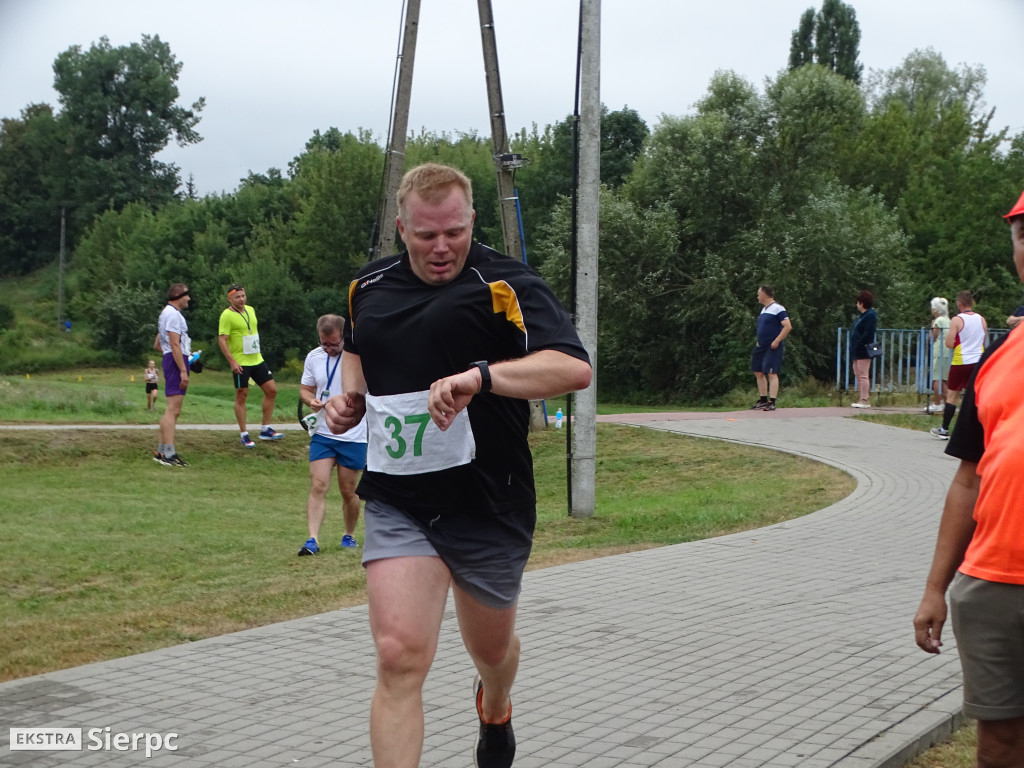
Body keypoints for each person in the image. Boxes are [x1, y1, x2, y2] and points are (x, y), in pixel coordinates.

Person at [323, 163, 592, 768]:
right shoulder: (368, 288)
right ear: (401, 228)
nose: (442, 247)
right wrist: (352, 402)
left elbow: (574, 367)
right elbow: (364, 352)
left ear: (472, 220)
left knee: (491, 652)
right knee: (398, 655)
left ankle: (495, 703)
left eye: (455, 232)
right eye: (425, 236)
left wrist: (483, 378)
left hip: (487, 499)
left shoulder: (505, 282)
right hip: (401, 498)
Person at [912, 191, 1024, 768]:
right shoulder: (1003, 356)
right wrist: (937, 587)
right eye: (1023, 235)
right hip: (995, 584)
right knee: (998, 743)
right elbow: (967, 479)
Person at [297, 314, 367, 556]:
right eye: (324, 343)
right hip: (323, 432)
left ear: (344, 337)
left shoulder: (357, 357)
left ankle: (349, 534)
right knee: (318, 484)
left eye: (334, 344)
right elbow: (305, 389)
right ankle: (312, 539)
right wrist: (310, 400)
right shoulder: (314, 357)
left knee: (348, 490)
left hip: (353, 434)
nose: (328, 349)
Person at [217, 284, 284, 447]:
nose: (241, 299)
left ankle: (265, 429)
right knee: (242, 395)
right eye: (237, 297)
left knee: (272, 390)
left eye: (243, 296)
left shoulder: (250, 310)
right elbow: (222, 340)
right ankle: (244, 434)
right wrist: (232, 361)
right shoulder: (226, 315)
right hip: (241, 362)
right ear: (230, 299)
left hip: (257, 359)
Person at [930, 290, 987, 440]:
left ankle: (944, 429)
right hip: (978, 361)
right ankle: (976, 431)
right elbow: (983, 340)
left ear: (959, 304)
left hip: (961, 361)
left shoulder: (957, 320)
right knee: (974, 397)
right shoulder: (981, 319)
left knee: (952, 395)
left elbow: (949, 343)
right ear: (972, 303)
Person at [153, 284, 191, 467]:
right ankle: (169, 453)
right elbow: (175, 344)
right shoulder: (174, 315)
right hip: (176, 361)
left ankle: (161, 451)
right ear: (178, 296)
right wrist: (182, 368)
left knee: (172, 409)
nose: (189, 299)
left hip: (172, 359)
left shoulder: (165, 314)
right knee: (173, 409)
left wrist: (173, 356)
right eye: (187, 295)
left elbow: (158, 344)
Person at [749, 284, 792, 411]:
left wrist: (777, 341)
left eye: (758, 293)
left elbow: (787, 326)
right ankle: (762, 399)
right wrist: (758, 341)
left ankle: (772, 401)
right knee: (758, 371)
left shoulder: (778, 308)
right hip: (761, 345)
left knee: (771, 372)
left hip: (772, 345)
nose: (757, 296)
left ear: (764, 294)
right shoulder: (764, 309)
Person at [848, 290, 877, 409]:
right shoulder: (862, 316)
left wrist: (860, 342)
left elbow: (869, 332)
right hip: (856, 349)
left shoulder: (870, 315)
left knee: (863, 374)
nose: (856, 304)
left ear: (861, 303)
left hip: (863, 349)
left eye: (857, 302)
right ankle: (862, 398)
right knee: (858, 374)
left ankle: (865, 399)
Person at [925, 297, 951, 413]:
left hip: (939, 352)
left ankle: (937, 403)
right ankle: (946, 403)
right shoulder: (948, 320)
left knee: (936, 378)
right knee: (945, 379)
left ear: (935, 309)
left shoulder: (938, 321)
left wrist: (932, 326)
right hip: (947, 352)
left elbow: (932, 337)